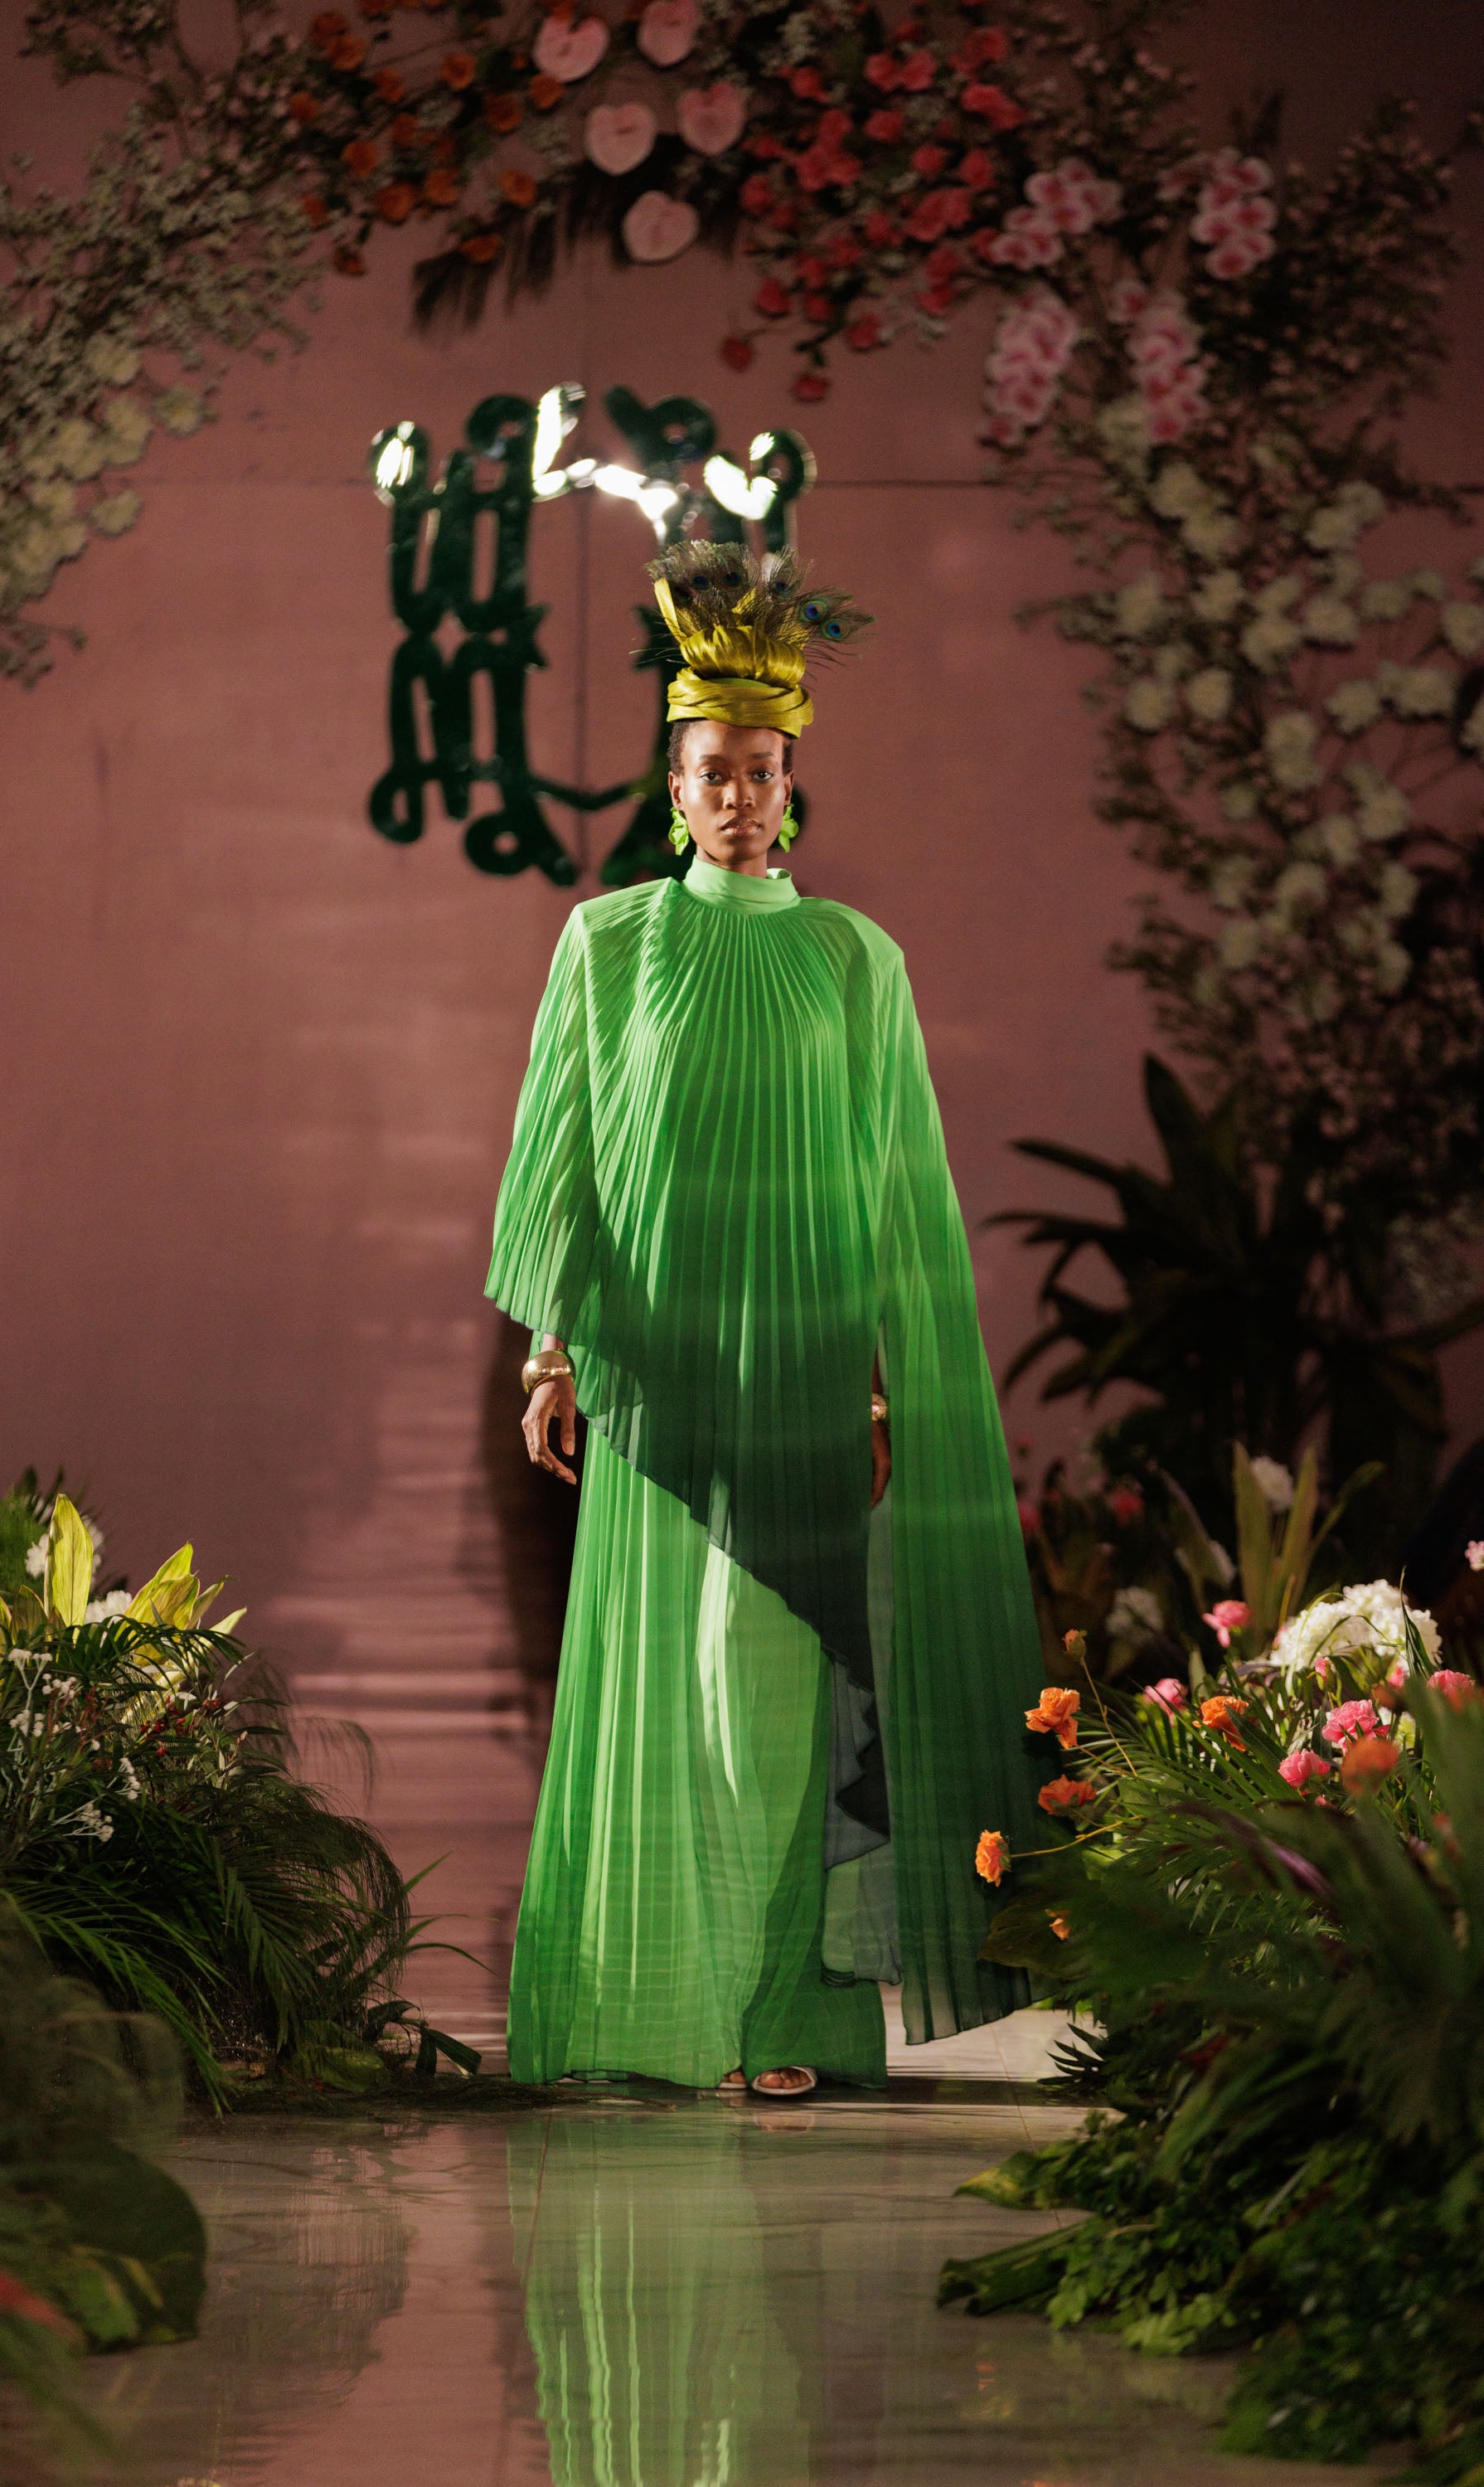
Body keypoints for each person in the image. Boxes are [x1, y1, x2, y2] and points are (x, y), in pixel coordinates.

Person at [486, 541, 1041, 2096]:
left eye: (764, 771)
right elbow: (560, 1151)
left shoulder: (856, 962)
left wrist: (880, 1392)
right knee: (665, 1688)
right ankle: (653, 2014)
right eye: (714, 771)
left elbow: (893, 1192)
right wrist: (549, 1350)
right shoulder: (607, 944)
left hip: (802, 1373)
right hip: (654, 1373)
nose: (740, 794)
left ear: (793, 789)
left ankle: (786, 2018)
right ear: (674, 788)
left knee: (787, 1697)